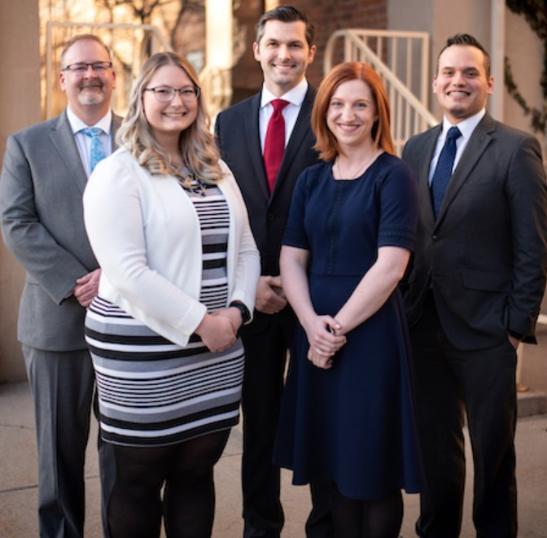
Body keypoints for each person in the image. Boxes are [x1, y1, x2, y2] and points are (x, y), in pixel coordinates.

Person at [83, 51, 259, 538]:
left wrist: (238, 312)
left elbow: (245, 246)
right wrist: (203, 321)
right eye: (162, 90)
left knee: (195, 473)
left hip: (218, 348)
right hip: (144, 352)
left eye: (186, 91)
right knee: (139, 481)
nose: (175, 101)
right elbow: (127, 270)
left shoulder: (216, 167)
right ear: (140, 98)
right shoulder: (118, 173)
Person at [402, 33, 547, 538]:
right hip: (424, 325)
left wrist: (515, 326)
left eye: (469, 73)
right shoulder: (415, 148)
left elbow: (533, 244)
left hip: (488, 331)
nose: (457, 81)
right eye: (448, 73)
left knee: (494, 456)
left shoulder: (515, 147)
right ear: (436, 81)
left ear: (487, 83)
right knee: (435, 452)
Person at [274, 61, 422, 538]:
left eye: (360, 104)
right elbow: (292, 260)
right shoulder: (311, 180)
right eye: (337, 104)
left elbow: (391, 267)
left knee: (371, 468)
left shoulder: (393, 175)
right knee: (328, 464)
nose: (348, 114)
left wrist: (334, 329)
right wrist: (311, 326)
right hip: (313, 333)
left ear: (377, 112)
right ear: (324, 112)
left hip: (369, 337)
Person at [215, 6, 332, 537]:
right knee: (258, 422)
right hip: (253, 295)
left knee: (321, 418)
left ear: (311, 52)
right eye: (274, 44)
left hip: (319, 295)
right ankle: (260, 524)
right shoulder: (229, 121)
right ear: (257, 50)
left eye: (294, 45)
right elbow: (227, 208)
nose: (283, 54)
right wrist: (249, 284)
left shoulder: (333, 112)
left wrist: (300, 285)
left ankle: (326, 524)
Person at [0, 34, 119, 538]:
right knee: (59, 455)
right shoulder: (26, 144)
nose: (89, 75)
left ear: (113, 75)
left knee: (126, 455)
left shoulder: (143, 140)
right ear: (61, 77)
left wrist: (112, 279)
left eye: (99, 66)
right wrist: (77, 281)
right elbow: (16, 222)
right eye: (78, 67)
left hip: (131, 322)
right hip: (56, 323)